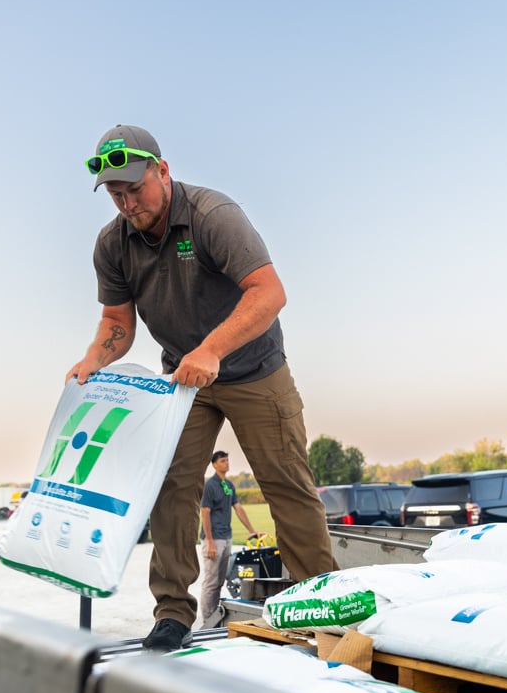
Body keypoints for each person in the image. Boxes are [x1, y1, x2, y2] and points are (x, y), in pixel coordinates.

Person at [66, 124, 338, 653]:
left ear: (162, 172)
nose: (127, 203)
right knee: (172, 486)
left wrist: (213, 349)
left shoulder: (213, 216)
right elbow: (117, 323)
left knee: (286, 484)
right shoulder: (113, 244)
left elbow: (269, 293)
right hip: (184, 380)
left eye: (134, 189)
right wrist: (93, 359)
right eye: (116, 194)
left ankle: (315, 604)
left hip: (255, 369)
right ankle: (172, 611)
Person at [198, 451, 260, 629]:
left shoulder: (229, 485)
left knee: (219, 581)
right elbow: (205, 514)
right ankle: (207, 620)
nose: (226, 463)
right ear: (214, 464)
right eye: (222, 461)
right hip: (214, 539)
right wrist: (209, 541)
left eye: (227, 460)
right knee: (210, 582)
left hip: (227, 537)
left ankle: (214, 617)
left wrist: (252, 530)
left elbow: (238, 508)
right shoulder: (210, 485)